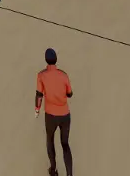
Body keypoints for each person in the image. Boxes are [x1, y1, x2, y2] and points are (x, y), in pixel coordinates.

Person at [35, 48, 73, 176]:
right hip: (65, 115)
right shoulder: (64, 75)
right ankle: (70, 174)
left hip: (50, 115)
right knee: (65, 144)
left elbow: (39, 95)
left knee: (50, 140)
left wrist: (37, 110)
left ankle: (53, 170)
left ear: (46, 60)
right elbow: (70, 94)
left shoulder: (41, 75)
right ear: (56, 59)